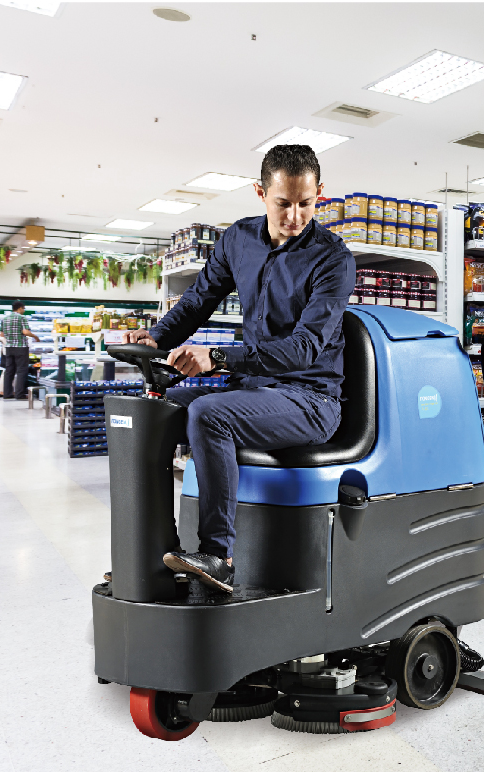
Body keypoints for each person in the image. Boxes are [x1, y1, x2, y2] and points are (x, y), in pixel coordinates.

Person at [123, 144, 355, 592]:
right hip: (255, 387)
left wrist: (220, 356)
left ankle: (218, 555)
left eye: (306, 203)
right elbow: (198, 300)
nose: (294, 216)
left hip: (310, 399)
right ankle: (154, 550)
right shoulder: (238, 240)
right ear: (260, 193)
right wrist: (157, 338)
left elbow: (306, 348)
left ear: (320, 193)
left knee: (210, 414)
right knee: (157, 410)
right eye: (282, 203)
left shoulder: (333, 259)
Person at [0, 300, 40, 400]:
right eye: (24, 309)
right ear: (20, 308)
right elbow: (25, 332)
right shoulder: (22, 318)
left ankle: (7, 394)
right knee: (22, 370)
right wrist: (35, 336)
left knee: (9, 371)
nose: (24, 311)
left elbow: (2, 334)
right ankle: (19, 394)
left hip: (9, 347)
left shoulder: (5, 318)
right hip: (21, 347)